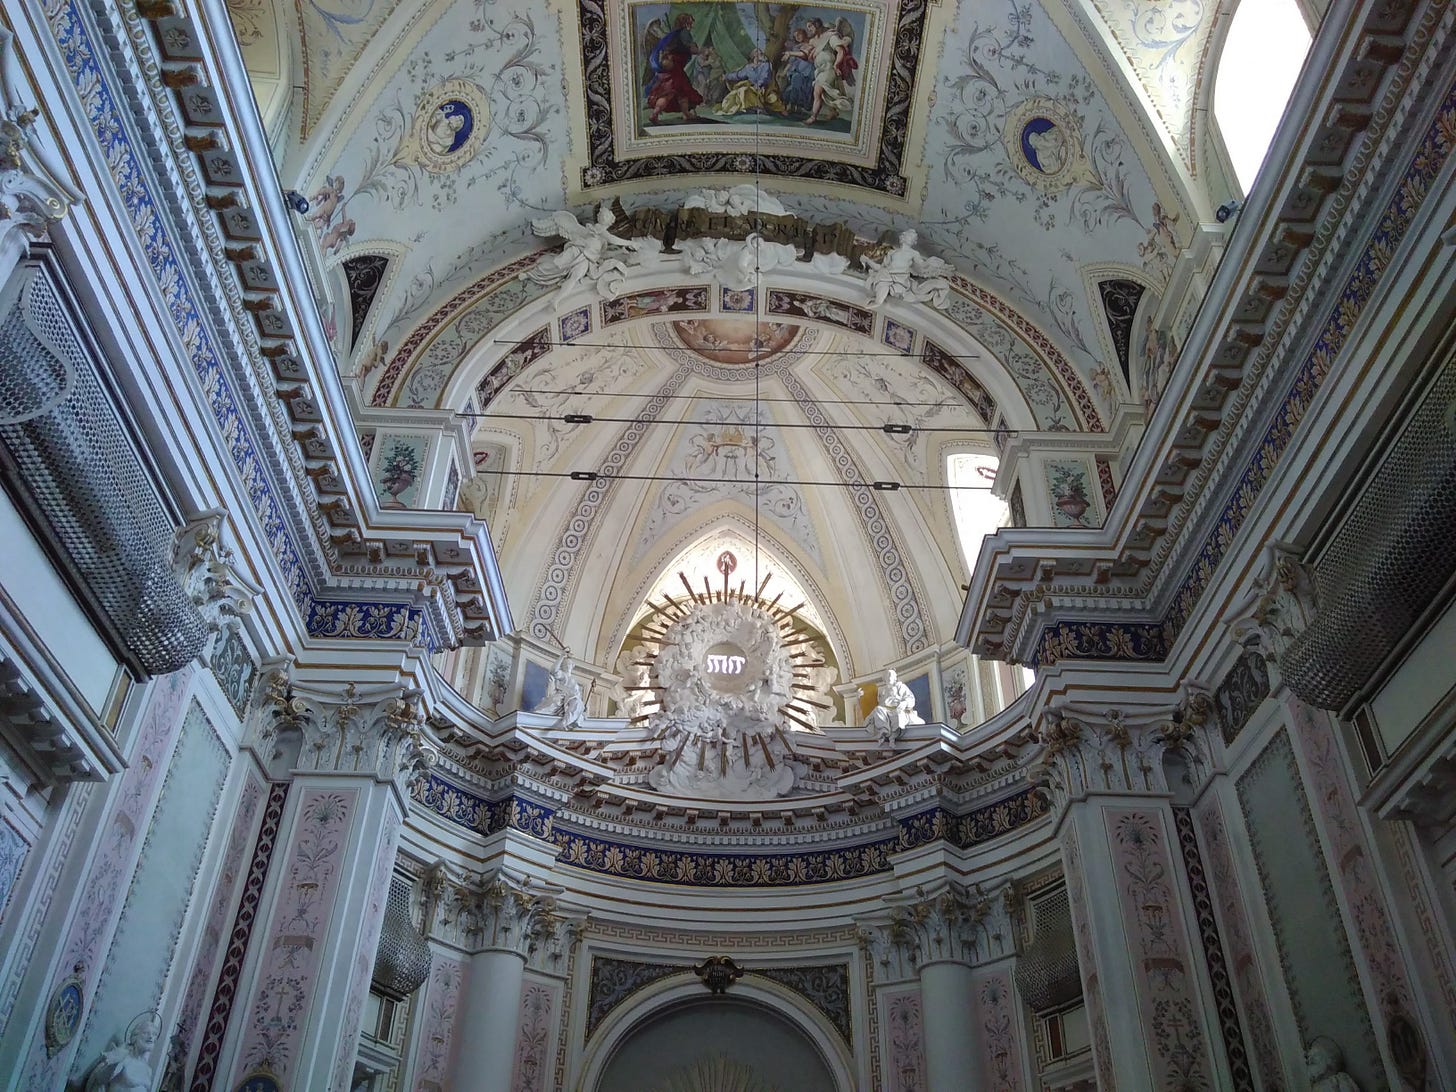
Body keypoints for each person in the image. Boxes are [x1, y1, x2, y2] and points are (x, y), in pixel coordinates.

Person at [646, 14, 702, 123]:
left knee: (678, 90)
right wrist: (700, 50)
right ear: (685, 23)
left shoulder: (671, 35)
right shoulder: (684, 33)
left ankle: (685, 113)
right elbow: (692, 49)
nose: (692, 25)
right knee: (671, 91)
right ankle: (655, 114)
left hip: (669, 65)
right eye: (690, 22)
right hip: (675, 66)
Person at [84, 1013, 161, 1092]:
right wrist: (113, 1063)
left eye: (154, 1034)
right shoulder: (124, 1057)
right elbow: (100, 1079)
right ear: (135, 1036)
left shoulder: (148, 1070)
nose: (151, 1037)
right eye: (146, 1033)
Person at [717, 48, 786, 116]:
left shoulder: (765, 65)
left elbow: (765, 77)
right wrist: (726, 76)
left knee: (745, 90)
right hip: (751, 86)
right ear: (754, 56)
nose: (761, 55)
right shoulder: (748, 67)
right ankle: (747, 108)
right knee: (741, 91)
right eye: (758, 53)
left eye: (761, 53)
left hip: (763, 88)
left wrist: (758, 85)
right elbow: (738, 75)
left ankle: (760, 108)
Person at [863, 669, 923, 745]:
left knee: (898, 714)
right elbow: (880, 705)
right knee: (877, 710)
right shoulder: (882, 691)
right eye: (886, 676)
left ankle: (892, 737)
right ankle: (884, 731)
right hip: (886, 710)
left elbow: (910, 698)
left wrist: (904, 703)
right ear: (884, 679)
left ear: (895, 678)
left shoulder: (901, 686)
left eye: (890, 675)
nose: (888, 677)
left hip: (898, 708)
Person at [535, 650, 586, 729]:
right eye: (565, 664)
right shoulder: (563, 675)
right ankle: (565, 723)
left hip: (572, 698)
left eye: (569, 664)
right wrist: (561, 656)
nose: (567, 665)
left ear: (572, 666)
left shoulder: (574, 681)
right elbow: (553, 671)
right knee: (570, 701)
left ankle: (566, 722)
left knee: (578, 703)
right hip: (563, 696)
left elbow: (576, 694)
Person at [779, 28, 815, 116]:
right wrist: (784, 72)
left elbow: (807, 56)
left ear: (804, 33)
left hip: (808, 72)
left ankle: (798, 108)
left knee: (804, 89)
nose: (797, 37)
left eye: (798, 34)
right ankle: (791, 106)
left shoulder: (811, 44)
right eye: (795, 36)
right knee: (794, 83)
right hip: (797, 72)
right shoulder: (796, 47)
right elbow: (791, 62)